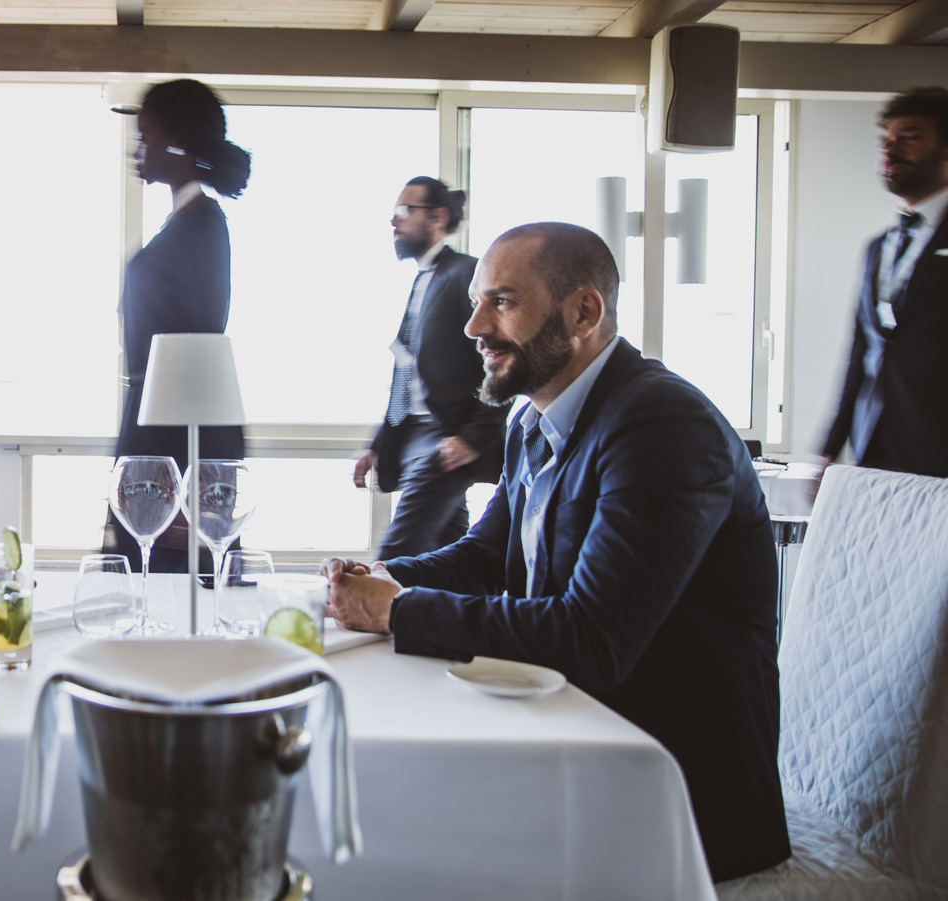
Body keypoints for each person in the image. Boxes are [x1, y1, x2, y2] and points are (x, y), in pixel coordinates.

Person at [324, 222, 789, 882]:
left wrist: (396, 612)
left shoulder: (662, 424)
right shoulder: (531, 420)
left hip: (675, 792)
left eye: (502, 302)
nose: (474, 325)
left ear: (583, 312)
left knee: (401, 838)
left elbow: (593, 636)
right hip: (574, 733)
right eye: (478, 301)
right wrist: (380, 576)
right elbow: (486, 557)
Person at [102, 79, 250, 575]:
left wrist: (194, 485)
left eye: (145, 134)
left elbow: (198, 352)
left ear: (175, 143)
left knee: (163, 580)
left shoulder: (203, 227)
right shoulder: (185, 224)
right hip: (155, 423)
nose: (137, 148)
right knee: (144, 578)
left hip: (174, 434)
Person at [354, 177, 506, 559]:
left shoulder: (465, 275)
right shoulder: (424, 279)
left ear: (437, 216)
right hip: (415, 436)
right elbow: (405, 373)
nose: (394, 221)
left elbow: (502, 359)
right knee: (449, 551)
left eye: (405, 211)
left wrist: (472, 437)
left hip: (445, 440)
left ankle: (361, 602)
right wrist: (379, 443)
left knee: (397, 553)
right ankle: (467, 613)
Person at [820, 86, 948, 480]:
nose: (890, 150)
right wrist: (828, 450)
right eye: (886, 140)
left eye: (910, 137)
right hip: (874, 454)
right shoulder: (877, 247)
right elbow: (861, 352)